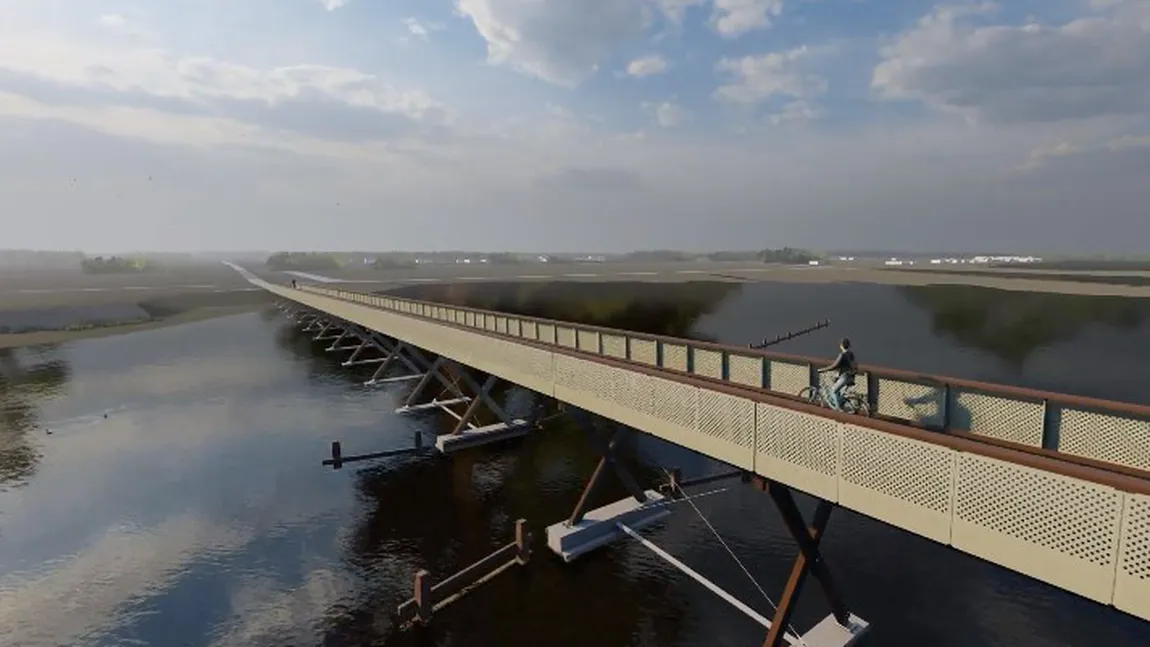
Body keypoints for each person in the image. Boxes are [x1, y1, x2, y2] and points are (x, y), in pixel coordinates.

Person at [818, 338, 857, 411]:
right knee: (837, 386)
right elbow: (847, 365)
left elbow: (834, 366)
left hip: (844, 377)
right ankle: (840, 402)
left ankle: (838, 409)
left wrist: (823, 370)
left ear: (841, 346)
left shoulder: (842, 355)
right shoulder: (851, 354)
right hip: (851, 376)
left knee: (833, 391)